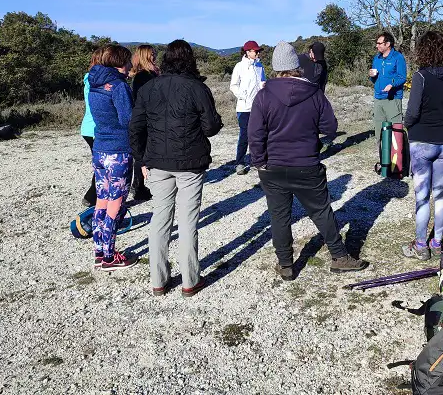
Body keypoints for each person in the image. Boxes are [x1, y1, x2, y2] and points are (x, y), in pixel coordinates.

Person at [248, 41, 368, 280]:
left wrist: (259, 161)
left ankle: (285, 264)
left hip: (273, 167)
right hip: (306, 164)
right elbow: (330, 127)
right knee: (321, 211)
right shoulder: (314, 93)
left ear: (275, 67)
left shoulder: (263, 96)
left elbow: (255, 133)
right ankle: (339, 257)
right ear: (297, 66)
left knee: (279, 216)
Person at [129, 40, 223, 297]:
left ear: (166, 59)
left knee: (160, 220)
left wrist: (142, 161)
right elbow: (211, 127)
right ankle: (190, 281)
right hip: (190, 163)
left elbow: (135, 127)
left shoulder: (148, 88)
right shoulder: (197, 88)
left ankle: (158, 280)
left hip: (157, 162)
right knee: (187, 220)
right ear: (190, 60)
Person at [402, 31, 443, 260]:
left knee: (422, 197)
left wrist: (407, 126)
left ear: (424, 51)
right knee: (440, 194)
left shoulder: (421, 77)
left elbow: (412, 112)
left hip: (421, 142)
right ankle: (437, 243)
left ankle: (421, 246)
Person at [88, 45, 137, 271]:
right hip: (119, 150)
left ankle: (99, 250)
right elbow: (129, 119)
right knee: (116, 203)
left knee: (102, 200)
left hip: (100, 149)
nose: (130, 67)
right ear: (120, 62)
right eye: (128, 62)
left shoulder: (95, 83)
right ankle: (110, 256)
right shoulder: (118, 87)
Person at [229, 40, 266, 175]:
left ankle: (257, 161)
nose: (257, 53)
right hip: (244, 107)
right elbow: (233, 85)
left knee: (258, 134)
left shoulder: (259, 66)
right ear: (247, 52)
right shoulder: (239, 66)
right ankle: (239, 163)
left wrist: (264, 87)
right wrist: (242, 95)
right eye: (255, 51)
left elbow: (263, 81)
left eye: (258, 51)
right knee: (244, 135)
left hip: (258, 107)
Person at [129, 44, 159, 202]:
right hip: (146, 117)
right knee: (141, 152)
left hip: (149, 117)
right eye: (152, 53)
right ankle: (138, 186)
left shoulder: (150, 73)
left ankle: (139, 184)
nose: (154, 56)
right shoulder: (143, 75)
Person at [369, 31, 407, 149]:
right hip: (378, 99)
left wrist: (392, 85)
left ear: (388, 44)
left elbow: (402, 77)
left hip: (393, 99)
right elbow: (374, 79)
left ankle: (397, 162)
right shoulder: (377, 58)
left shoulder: (398, 57)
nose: (377, 46)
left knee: (395, 132)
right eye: (377, 43)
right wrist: (371, 75)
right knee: (379, 130)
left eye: (380, 43)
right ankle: (382, 160)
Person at [80, 47, 103, 208]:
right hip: (95, 128)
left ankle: (94, 196)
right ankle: (92, 196)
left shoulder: (90, 78)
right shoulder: (95, 80)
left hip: (89, 127)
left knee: (101, 164)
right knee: (102, 165)